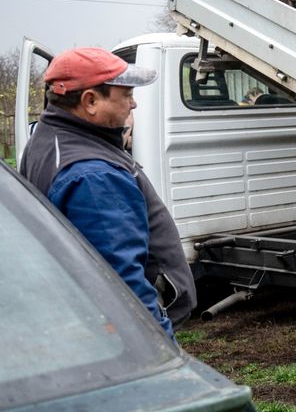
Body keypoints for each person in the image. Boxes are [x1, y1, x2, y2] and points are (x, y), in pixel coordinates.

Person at [20, 47, 197, 338]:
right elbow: (124, 286)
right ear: (90, 101)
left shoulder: (48, 137)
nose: (133, 104)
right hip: (135, 336)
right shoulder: (93, 177)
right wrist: (160, 348)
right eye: (126, 94)